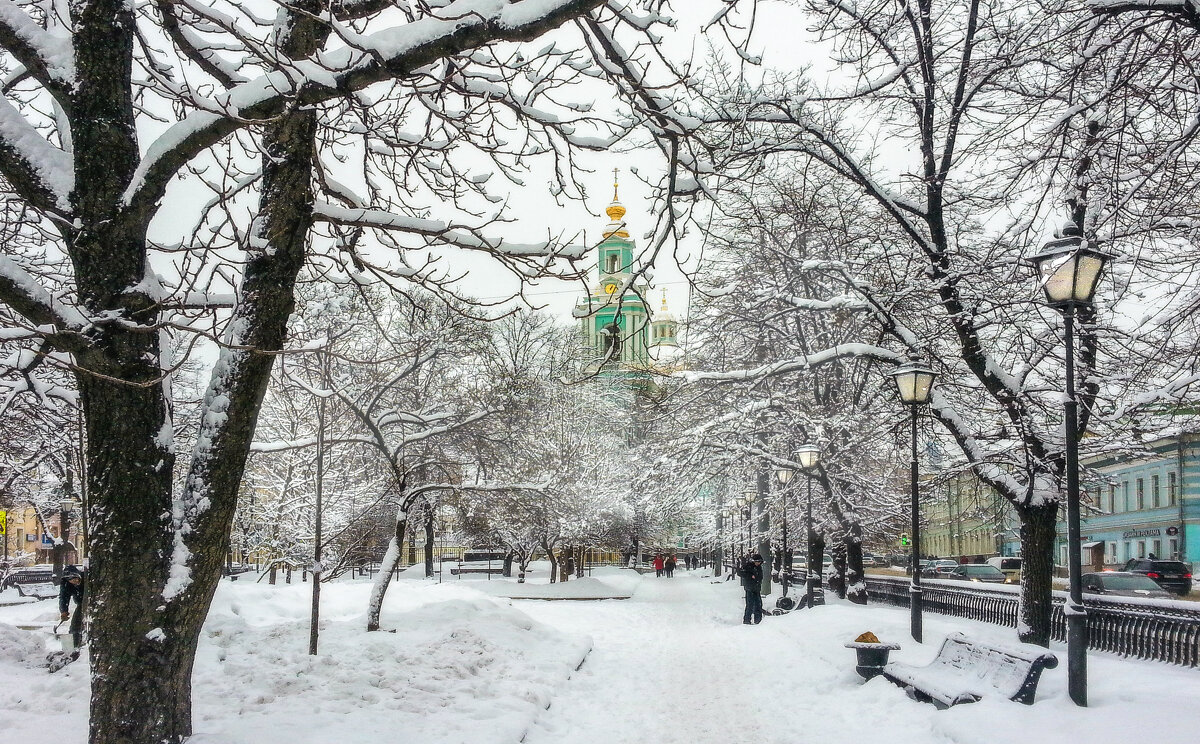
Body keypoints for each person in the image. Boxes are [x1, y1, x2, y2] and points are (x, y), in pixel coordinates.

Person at [58, 566, 86, 649]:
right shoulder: (66, 584)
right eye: (71, 580)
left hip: (91, 602)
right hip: (80, 604)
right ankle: (75, 646)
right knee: (75, 626)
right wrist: (64, 611)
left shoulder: (86, 579)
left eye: (76, 579)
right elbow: (64, 597)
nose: (74, 582)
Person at [739, 553, 764, 624]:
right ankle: (747, 620)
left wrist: (757, 579)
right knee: (750, 605)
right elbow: (740, 572)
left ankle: (758, 620)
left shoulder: (759, 567)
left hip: (756, 588)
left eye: (759, 562)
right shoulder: (748, 566)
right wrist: (750, 576)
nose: (758, 563)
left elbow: (760, 577)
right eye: (757, 562)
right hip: (749, 588)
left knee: (758, 604)